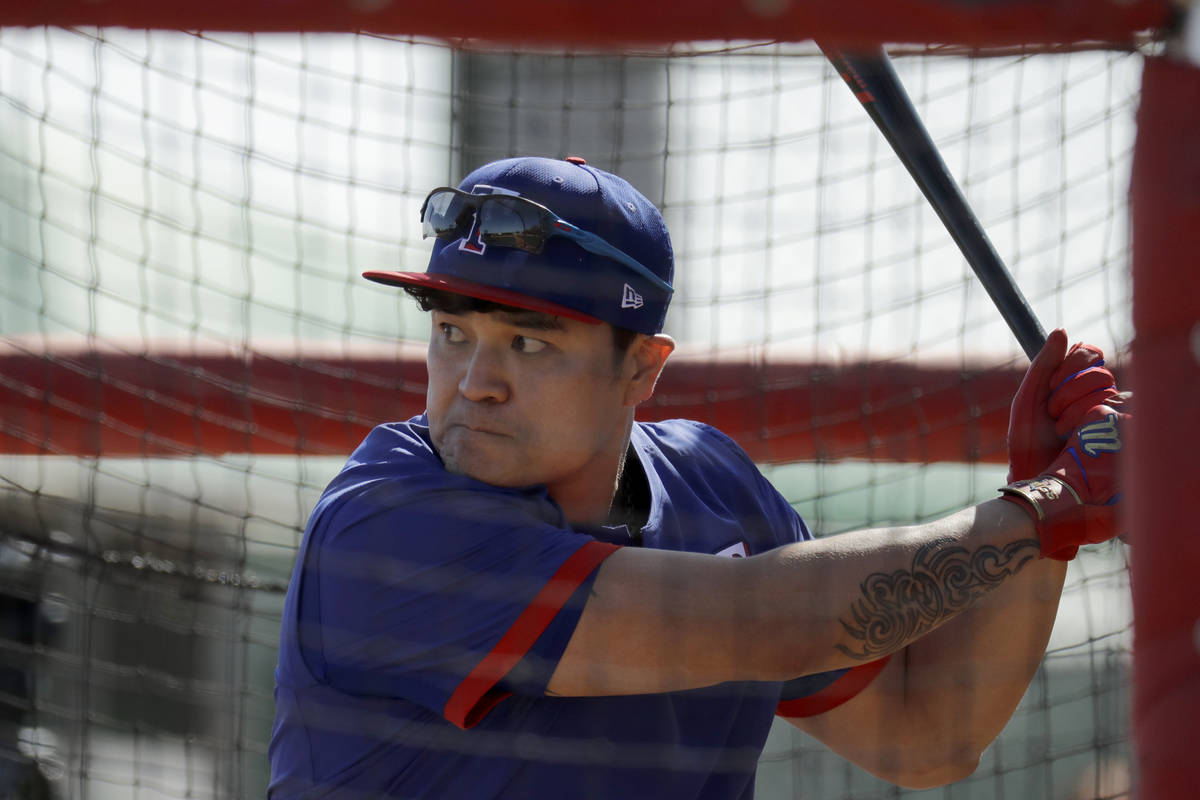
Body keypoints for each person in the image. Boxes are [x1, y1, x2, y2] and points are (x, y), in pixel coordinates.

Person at [267, 155, 1128, 798]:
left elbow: (927, 736)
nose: (474, 381)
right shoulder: (386, 524)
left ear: (643, 368)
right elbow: (759, 622)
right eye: (453, 332)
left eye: (529, 343)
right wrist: (1047, 506)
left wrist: (1049, 514)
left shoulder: (713, 486)